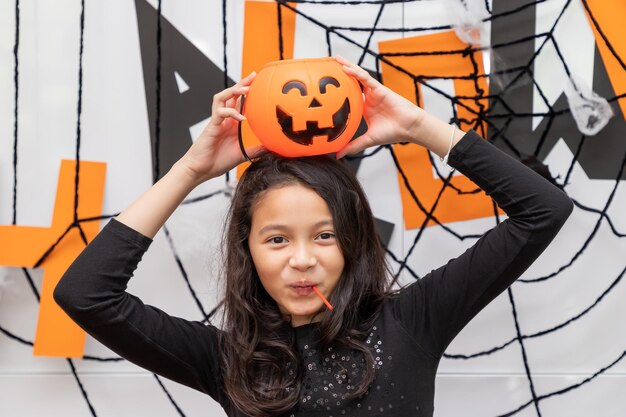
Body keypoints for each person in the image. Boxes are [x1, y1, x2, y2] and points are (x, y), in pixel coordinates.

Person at [54, 56, 573, 417]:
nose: (302, 260)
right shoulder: (228, 359)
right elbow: (86, 295)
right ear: (248, 250)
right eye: (277, 240)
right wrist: (191, 169)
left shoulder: (413, 321)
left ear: (352, 241)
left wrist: (416, 125)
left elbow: (542, 211)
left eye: (324, 236)